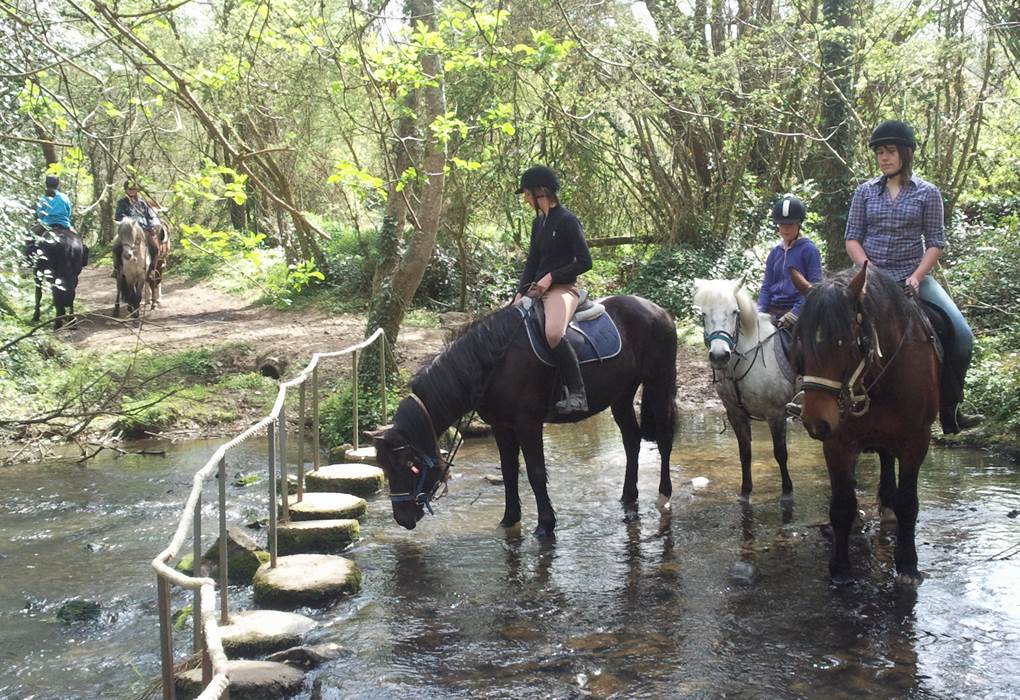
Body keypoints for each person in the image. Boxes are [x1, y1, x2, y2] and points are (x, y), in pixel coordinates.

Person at [845, 119, 983, 434]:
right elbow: (852, 238)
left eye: (890, 151)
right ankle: (814, 397)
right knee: (826, 322)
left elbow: (936, 241)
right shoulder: (864, 192)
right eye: (880, 152)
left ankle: (951, 410)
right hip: (869, 277)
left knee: (962, 335)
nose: (884, 157)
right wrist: (868, 269)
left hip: (912, 277)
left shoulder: (927, 193)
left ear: (906, 153)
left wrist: (918, 275)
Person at [512, 165, 593, 414]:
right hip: (537, 290)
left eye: (526, 193)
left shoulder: (567, 220)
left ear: (540, 192)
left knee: (554, 334)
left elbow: (585, 261)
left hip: (563, 290)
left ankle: (578, 394)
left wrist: (551, 277)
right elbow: (532, 263)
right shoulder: (539, 223)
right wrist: (518, 293)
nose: (525, 199)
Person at [757, 194, 822, 329]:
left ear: (798, 225)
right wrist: (759, 311)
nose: (785, 229)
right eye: (782, 224)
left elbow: (815, 287)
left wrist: (795, 313)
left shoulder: (809, 250)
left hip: (799, 312)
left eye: (790, 224)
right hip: (773, 310)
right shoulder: (775, 253)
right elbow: (766, 286)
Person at [32, 174, 87, 265]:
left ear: (46, 184)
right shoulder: (64, 197)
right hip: (64, 224)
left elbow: (40, 214)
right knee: (80, 241)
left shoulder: (43, 198)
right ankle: (83, 260)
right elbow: (69, 212)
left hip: (46, 224)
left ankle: (27, 263)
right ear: (58, 185)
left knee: (29, 237)